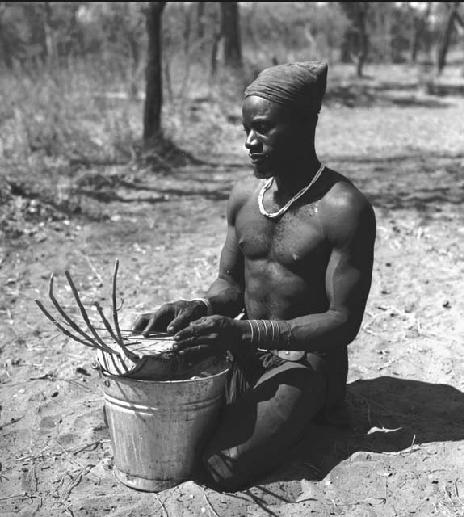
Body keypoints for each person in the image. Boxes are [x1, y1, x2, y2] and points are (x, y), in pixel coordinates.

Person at [132, 61, 376, 490]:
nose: (249, 142)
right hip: (241, 350)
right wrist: (199, 307)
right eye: (246, 129)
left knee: (219, 467)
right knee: (143, 393)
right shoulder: (244, 196)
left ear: (305, 123)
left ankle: (317, 412)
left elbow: (343, 321)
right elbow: (230, 286)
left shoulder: (344, 210)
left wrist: (245, 334)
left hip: (305, 364)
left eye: (263, 129)